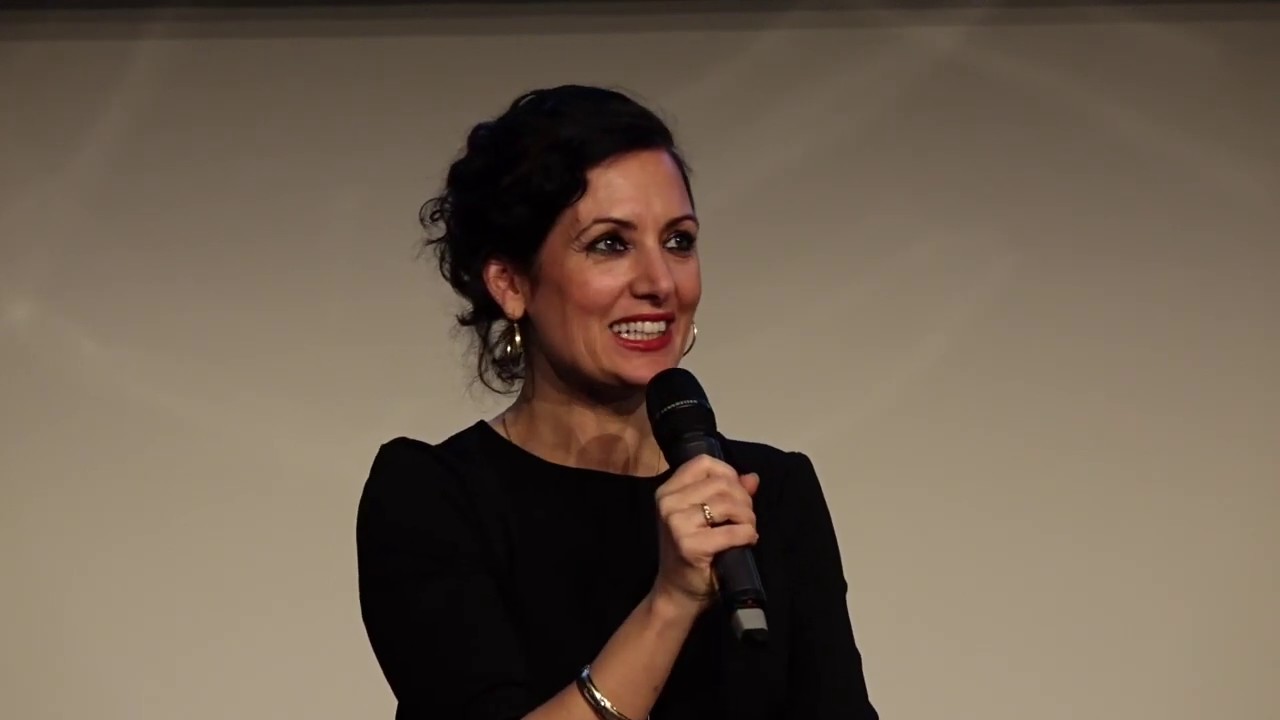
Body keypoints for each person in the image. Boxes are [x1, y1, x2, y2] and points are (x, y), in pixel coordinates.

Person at [355, 84, 879, 720]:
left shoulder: (768, 490)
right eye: (610, 243)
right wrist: (671, 601)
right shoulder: (432, 498)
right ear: (512, 283)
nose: (660, 282)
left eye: (679, 241)